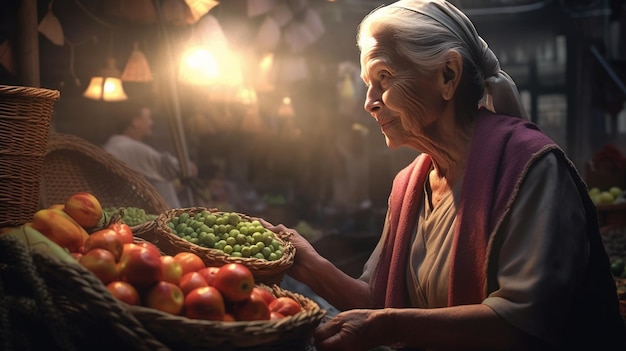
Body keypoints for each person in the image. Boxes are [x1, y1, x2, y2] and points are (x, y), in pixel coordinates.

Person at [262, 1, 626, 350]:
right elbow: (379, 299)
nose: (369, 101)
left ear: (448, 75)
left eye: (383, 77)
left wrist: (388, 326)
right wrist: (306, 263)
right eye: (367, 83)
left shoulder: (533, 169)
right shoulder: (410, 185)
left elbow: (527, 324)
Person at [103, 100, 197, 209]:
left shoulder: (113, 146)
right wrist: (186, 168)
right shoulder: (130, 148)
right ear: (135, 122)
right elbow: (176, 166)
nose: (151, 122)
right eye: (148, 118)